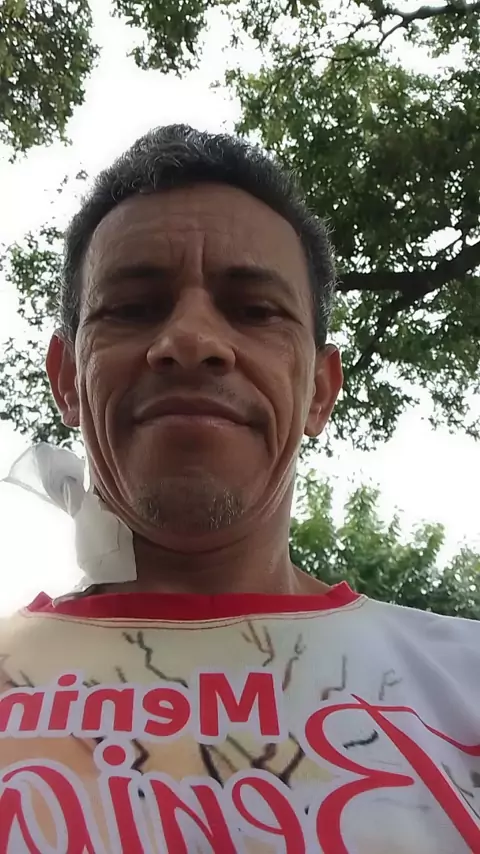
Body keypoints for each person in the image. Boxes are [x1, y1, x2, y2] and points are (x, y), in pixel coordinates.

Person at [0, 125, 479, 854]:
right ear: (67, 379)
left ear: (320, 390)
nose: (191, 341)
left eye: (255, 311)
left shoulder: (466, 685)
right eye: (132, 307)